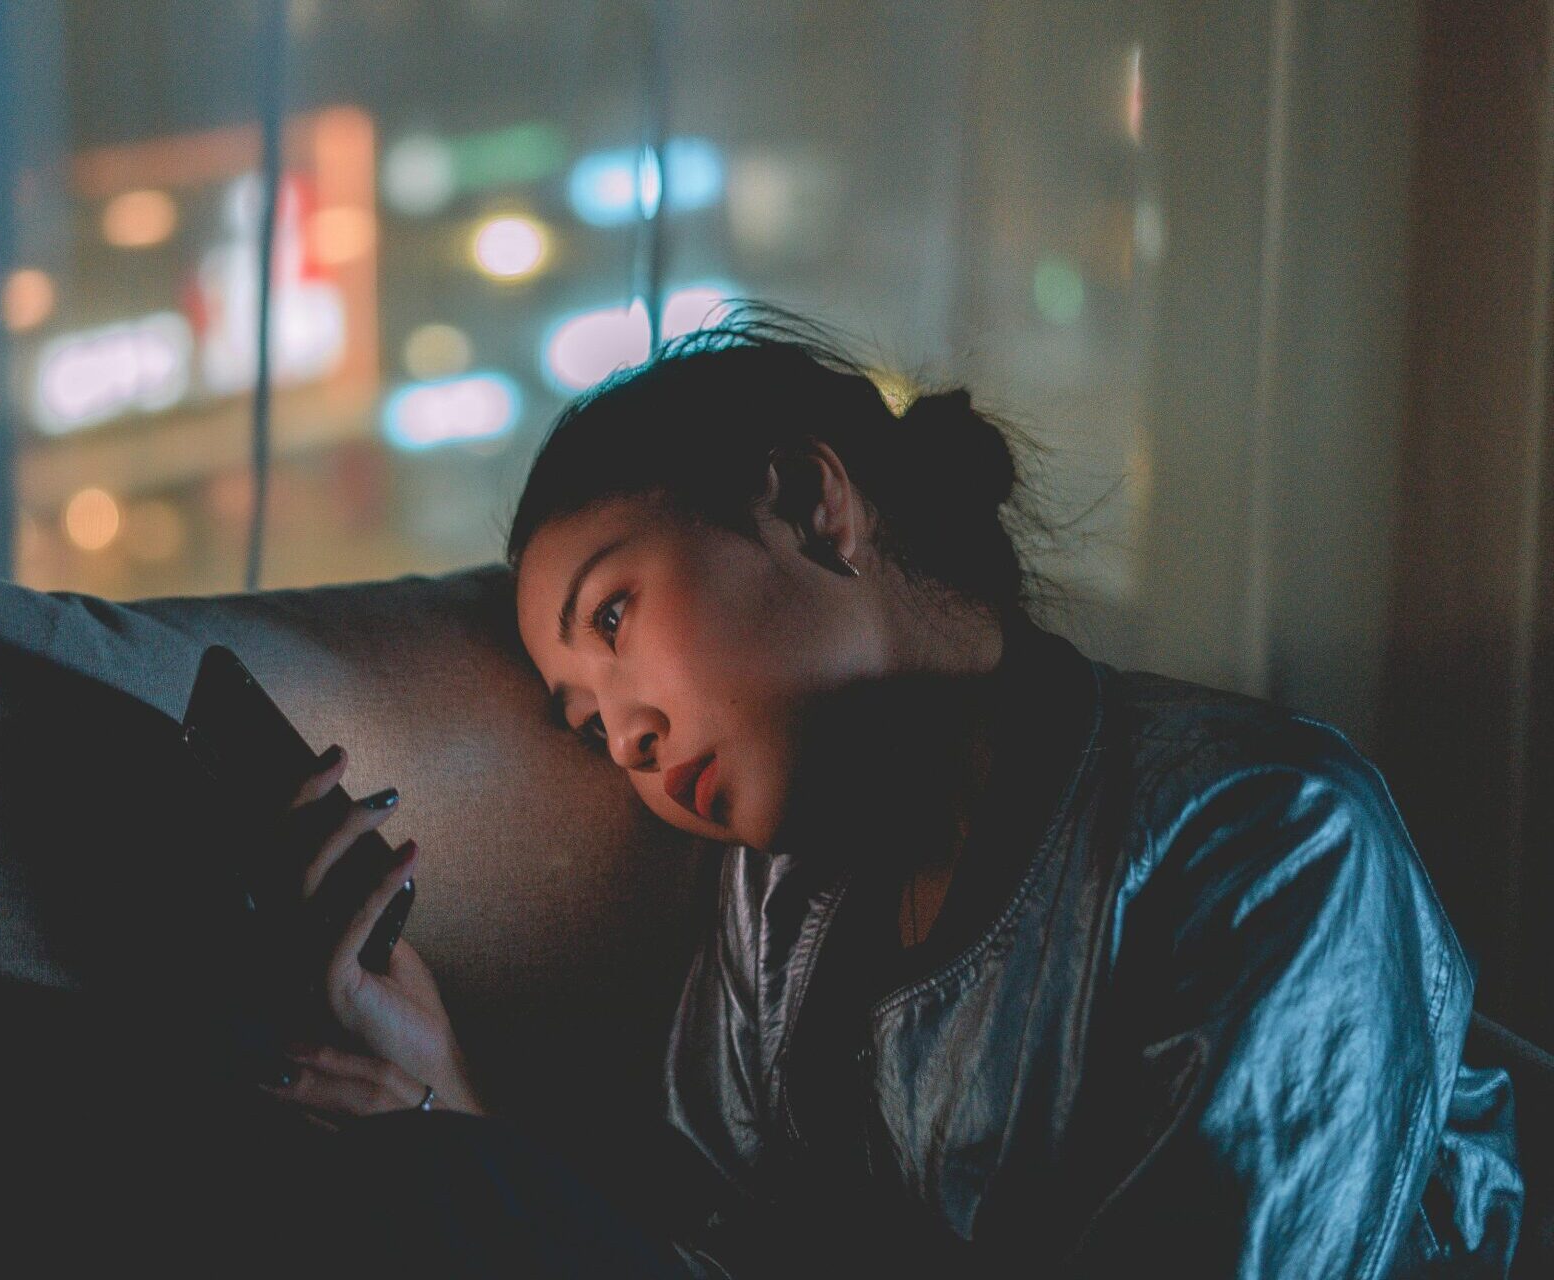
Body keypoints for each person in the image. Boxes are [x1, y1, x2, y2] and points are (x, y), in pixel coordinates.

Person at [262, 306, 1525, 1277]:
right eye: (585, 723)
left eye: (615, 612)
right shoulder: (775, 912)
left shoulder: (1266, 834)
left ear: (814, 505)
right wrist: (452, 1106)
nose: (629, 740)